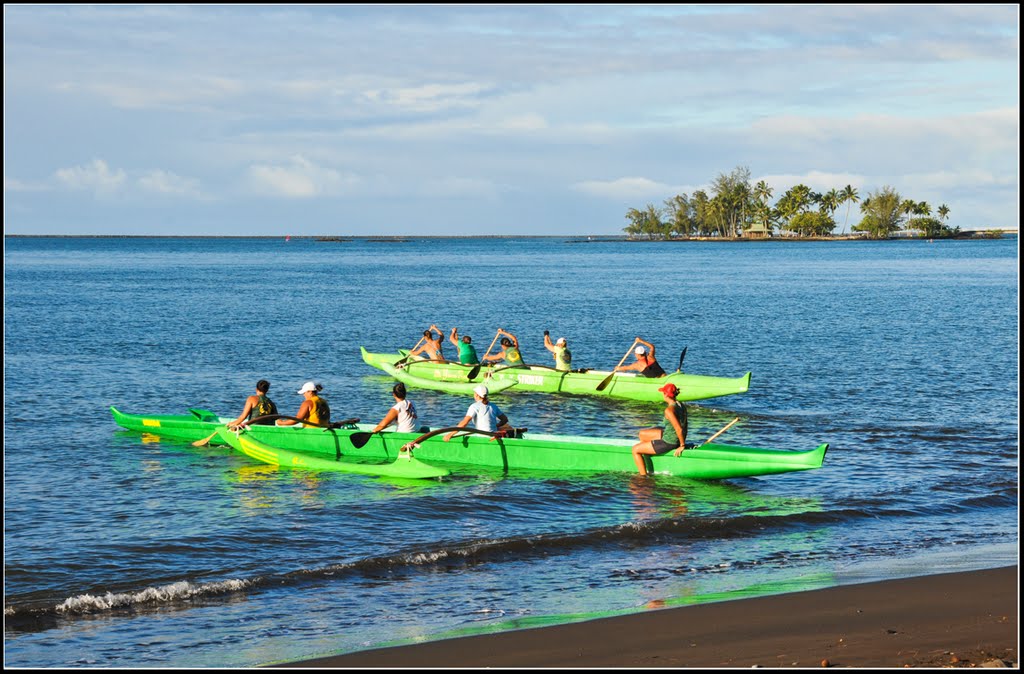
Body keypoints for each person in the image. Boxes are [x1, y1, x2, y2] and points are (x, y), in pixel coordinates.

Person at [631, 382, 688, 475]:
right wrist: (682, 440)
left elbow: (679, 429)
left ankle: (643, 476)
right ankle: (650, 454)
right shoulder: (681, 405)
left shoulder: (669, 410)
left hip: (669, 442)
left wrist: (682, 445)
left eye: (663, 392)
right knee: (642, 434)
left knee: (635, 449)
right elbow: (685, 425)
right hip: (673, 437)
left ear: (666, 395)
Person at [443, 385, 509, 441]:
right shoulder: (493, 406)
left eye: (474, 393)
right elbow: (505, 420)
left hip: (483, 437)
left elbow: (464, 423)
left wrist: (450, 434)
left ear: (477, 395)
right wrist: (495, 426)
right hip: (494, 435)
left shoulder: (474, 406)